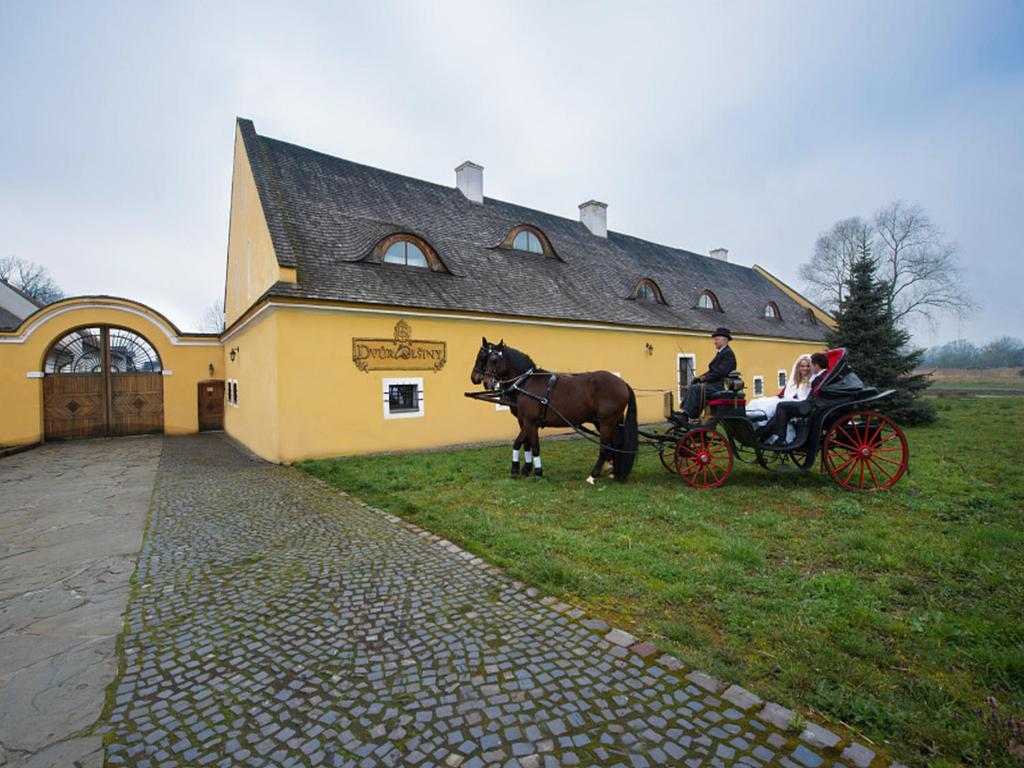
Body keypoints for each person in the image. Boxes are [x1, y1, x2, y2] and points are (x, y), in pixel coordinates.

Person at [764, 351, 830, 444]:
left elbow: (814, 395)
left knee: (781, 406)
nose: (809, 368)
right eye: (803, 366)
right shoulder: (823, 376)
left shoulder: (820, 378)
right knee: (781, 410)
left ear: (816, 365)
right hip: (809, 403)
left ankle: (780, 438)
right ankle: (766, 434)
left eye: (810, 365)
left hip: (809, 406)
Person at [679, 327, 737, 420]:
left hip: (720, 386)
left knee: (696, 388)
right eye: (715, 339)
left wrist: (703, 379)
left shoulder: (728, 354)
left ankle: (687, 415)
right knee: (695, 385)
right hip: (714, 384)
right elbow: (712, 371)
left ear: (725, 340)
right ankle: (686, 413)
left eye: (717, 339)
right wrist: (699, 378)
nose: (715, 341)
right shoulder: (722, 353)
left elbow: (719, 372)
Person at [747, 354, 813, 426]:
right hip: (787, 399)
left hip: (799, 403)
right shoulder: (795, 381)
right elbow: (788, 393)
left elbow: (804, 397)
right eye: (802, 366)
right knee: (757, 402)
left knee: (771, 406)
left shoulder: (811, 381)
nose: (805, 368)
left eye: (807, 366)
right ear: (798, 368)